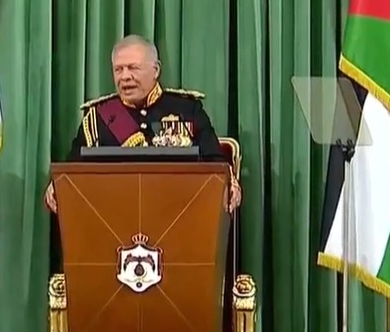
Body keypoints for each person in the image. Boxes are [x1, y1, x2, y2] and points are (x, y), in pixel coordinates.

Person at [44, 34, 242, 213]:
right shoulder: (98, 118)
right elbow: (72, 172)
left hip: (178, 214)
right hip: (116, 219)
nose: (124, 77)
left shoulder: (186, 110)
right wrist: (58, 187)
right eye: (118, 69)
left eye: (133, 68)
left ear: (155, 70)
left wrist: (229, 185)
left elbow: (216, 165)